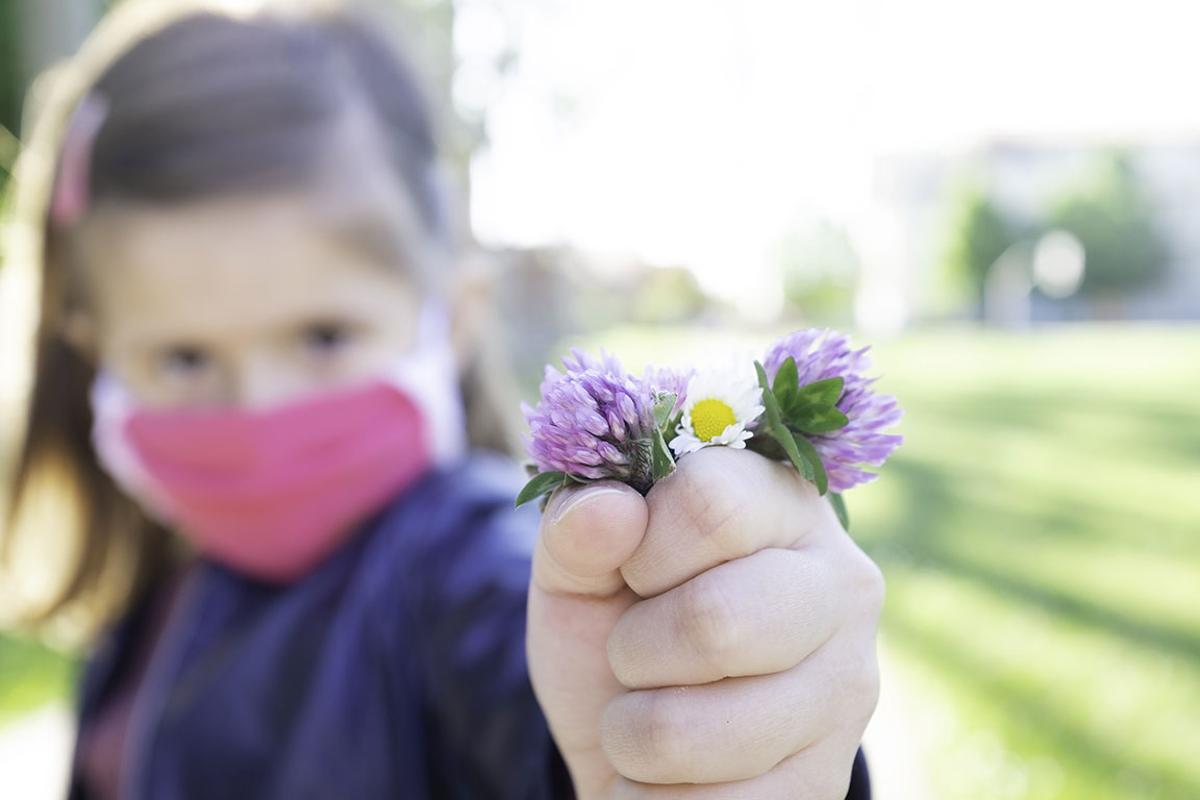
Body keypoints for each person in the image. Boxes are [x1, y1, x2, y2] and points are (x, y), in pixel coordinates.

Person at [0, 1, 883, 797]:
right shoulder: (157, 591)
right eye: (184, 357)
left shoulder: (464, 568)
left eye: (324, 337)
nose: (258, 408)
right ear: (94, 353)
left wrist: (715, 729)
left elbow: (536, 676)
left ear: (452, 318)